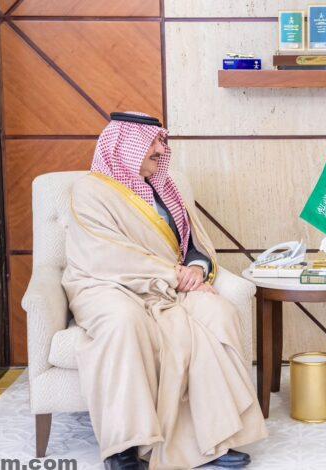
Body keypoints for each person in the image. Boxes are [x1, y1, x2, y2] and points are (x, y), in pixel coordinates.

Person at [62, 112, 267, 469]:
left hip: (167, 285)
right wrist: (172, 273)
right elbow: (105, 255)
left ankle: (215, 439)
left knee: (218, 313)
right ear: (125, 146)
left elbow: (191, 244)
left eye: (161, 141)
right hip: (106, 285)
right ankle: (124, 448)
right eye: (153, 142)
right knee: (124, 322)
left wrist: (195, 269)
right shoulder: (90, 191)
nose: (161, 148)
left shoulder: (165, 189)